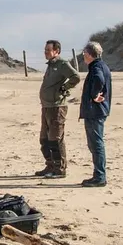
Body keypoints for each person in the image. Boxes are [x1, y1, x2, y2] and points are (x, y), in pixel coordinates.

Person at [36, 40, 80, 178]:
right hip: (46, 106)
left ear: (56, 51)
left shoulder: (62, 64)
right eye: (45, 50)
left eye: (48, 50)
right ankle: (50, 165)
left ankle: (59, 168)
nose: (45, 52)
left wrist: (64, 88)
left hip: (57, 106)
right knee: (44, 139)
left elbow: (75, 77)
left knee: (55, 139)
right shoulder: (50, 65)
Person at [79, 41, 112, 187]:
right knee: (95, 144)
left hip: (95, 111)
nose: (83, 56)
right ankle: (98, 175)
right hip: (98, 111)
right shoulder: (100, 65)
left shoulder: (97, 67)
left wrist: (94, 95)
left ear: (89, 54)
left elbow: (99, 79)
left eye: (84, 53)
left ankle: (99, 176)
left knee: (96, 144)